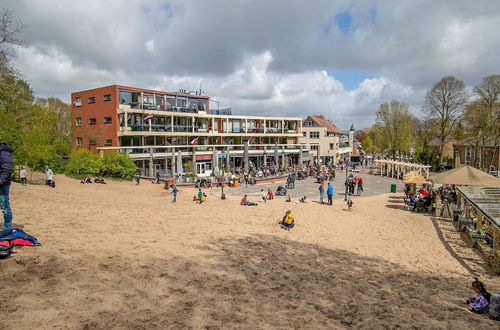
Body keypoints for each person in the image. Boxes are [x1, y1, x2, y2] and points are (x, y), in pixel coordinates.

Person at [0, 143, 13, 230]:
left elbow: (7, 169)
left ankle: (7, 228)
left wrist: (0, 181)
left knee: (4, 206)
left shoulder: (4, 153)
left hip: (3, 184)